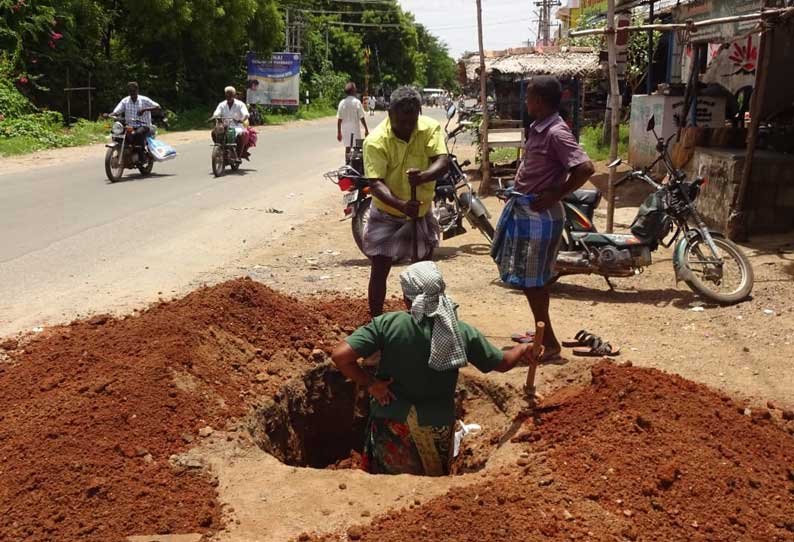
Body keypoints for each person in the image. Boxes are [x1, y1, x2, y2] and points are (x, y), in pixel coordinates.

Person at [331, 261, 543, 476]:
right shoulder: (460, 331)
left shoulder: (388, 324)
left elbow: (341, 356)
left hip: (393, 423)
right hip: (437, 426)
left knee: (385, 488)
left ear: (406, 299)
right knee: (428, 489)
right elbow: (503, 363)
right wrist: (522, 349)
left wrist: (372, 384)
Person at [491, 76, 595, 360]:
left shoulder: (556, 133)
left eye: (528, 98)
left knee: (533, 282)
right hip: (526, 212)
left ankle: (549, 344)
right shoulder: (539, 129)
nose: (526, 102)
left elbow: (585, 168)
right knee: (532, 279)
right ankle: (541, 332)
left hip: (540, 216)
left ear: (537, 100)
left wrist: (555, 194)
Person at [362, 86, 450, 317]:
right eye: (401, 122)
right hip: (386, 213)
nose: (407, 128)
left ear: (418, 114)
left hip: (420, 211)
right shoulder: (375, 141)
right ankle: (377, 322)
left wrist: (423, 177)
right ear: (390, 114)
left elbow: (442, 160)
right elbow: (376, 184)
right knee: (380, 268)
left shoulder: (430, 128)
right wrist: (400, 205)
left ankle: (419, 319)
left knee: (422, 272)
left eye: (412, 122)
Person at [110, 82, 160, 148]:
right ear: (128, 91)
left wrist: (144, 110)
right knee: (116, 132)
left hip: (144, 125)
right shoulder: (125, 101)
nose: (132, 93)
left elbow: (158, 107)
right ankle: (121, 150)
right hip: (129, 125)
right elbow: (117, 111)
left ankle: (140, 154)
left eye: (134, 91)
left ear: (137, 90)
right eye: (130, 91)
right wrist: (109, 114)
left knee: (138, 133)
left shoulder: (144, 100)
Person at [212, 86, 250, 160]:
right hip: (224, 126)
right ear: (225, 95)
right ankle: (220, 149)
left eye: (230, 95)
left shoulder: (240, 104)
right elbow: (216, 113)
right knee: (214, 132)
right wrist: (215, 117)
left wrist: (242, 119)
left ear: (234, 95)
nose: (228, 97)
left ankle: (238, 155)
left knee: (240, 135)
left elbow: (246, 114)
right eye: (227, 95)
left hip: (237, 126)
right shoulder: (222, 104)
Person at [337, 82, 369, 151]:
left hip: (345, 130)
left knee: (347, 148)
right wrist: (366, 129)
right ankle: (355, 161)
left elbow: (339, 120)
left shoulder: (342, 103)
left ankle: (347, 161)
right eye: (355, 88)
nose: (356, 90)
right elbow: (362, 117)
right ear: (353, 91)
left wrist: (339, 132)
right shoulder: (357, 102)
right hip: (355, 129)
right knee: (357, 148)